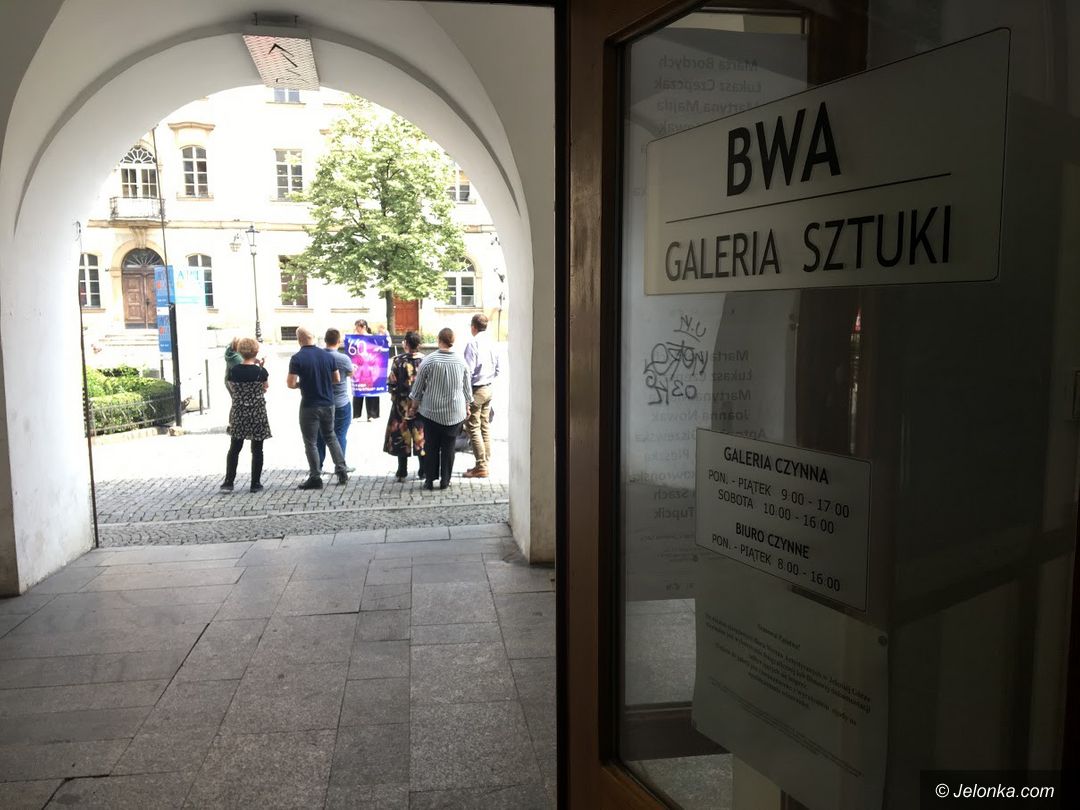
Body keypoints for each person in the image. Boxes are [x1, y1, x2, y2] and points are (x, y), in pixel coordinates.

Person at [409, 327, 473, 490]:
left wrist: (414, 407)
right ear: (453, 341)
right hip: (454, 412)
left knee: (431, 446)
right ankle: (445, 480)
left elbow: (418, 388)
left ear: (439, 340)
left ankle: (430, 480)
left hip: (431, 411)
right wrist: (467, 407)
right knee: (449, 447)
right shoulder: (461, 362)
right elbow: (467, 389)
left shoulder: (429, 361)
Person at [287, 327, 348, 489]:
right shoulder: (327, 356)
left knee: (311, 442)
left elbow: (291, 383)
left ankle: (315, 477)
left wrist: (303, 384)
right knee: (331, 436)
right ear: (313, 338)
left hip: (309, 405)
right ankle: (342, 471)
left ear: (299, 339)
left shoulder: (297, 358)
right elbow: (336, 378)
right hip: (328, 403)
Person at [220, 337, 270, 493]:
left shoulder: (234, 371)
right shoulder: (261, 372)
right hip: (257, 412)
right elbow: (265, 388)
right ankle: (255, 483)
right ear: (256, 351)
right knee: (257, 449)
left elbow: (232, 388)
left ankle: (228, 482)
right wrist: (260, 368)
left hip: (239, 412)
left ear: (240, 352)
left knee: (235, 447)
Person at [462, 313, 502, 479]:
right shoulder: (493, 342)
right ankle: (485, 461)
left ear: (473, 327)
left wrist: (466, 396)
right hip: (488, 388)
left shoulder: (473, 343)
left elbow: (468, 371)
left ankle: (481, 465)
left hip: (476, 389)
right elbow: (498, 369)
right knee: (484, 425)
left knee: (473, 426)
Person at [384, 331, 426, 480]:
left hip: (401, 405)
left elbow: (392, 382)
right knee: (421, 435)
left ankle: (402, 471)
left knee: (401, 436)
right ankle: (423, 470)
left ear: (406, 343)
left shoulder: (398, 361)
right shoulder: (425, 361)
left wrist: (394, 396)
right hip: (421, 405)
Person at [316, 328, 355, 473]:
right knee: (340, 434)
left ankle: (318, 466)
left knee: (320, 435)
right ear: (339, 341)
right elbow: (351, 373)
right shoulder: (343, 358)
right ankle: (340, 466)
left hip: (322, 401)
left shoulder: (318, 356)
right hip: (340, 402)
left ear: (325, 340)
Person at [352, 318, 381, 421]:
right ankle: (356, 415)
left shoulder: (372, 338)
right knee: (358, 390)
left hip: (370, 366)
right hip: (359, 367)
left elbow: (378, 350)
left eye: (358, 327)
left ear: (364, 327)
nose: (356, 329)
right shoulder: (354, 339)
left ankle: (372, 414)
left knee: (371, 390)